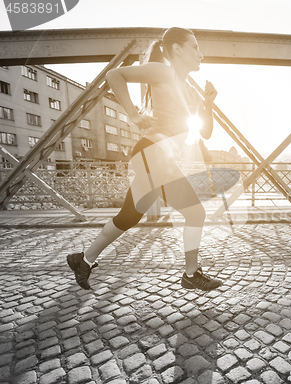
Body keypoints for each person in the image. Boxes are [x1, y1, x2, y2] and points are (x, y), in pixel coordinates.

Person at [67, 27, 222, 291]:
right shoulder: (164, 72)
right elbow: (115, 75)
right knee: (196, 212)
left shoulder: (191, 92)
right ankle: (191, 274)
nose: (201, 54)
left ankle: (84, 260)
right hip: (152, 154)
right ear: (177, 49)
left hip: (156, 159)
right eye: (194, 47)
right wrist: (134, 115)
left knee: (127, 218)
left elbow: (205, 133)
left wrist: (207, 103)